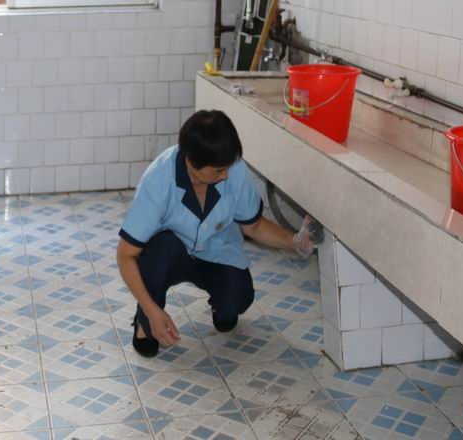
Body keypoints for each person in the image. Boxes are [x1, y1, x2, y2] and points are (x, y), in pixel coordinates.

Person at [116, 110, 322, 357]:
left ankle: (220, 305)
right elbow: (125, 254)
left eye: (227, 167)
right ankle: (146, 321)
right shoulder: (159, 179)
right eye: (217, 171)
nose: (225, 175)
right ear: (191, 163)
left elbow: (254, 226)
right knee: (160, 250)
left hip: (216, 252)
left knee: (238, 298)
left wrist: (295, 241)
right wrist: (151, 310)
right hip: (171, 254)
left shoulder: (233, 168)